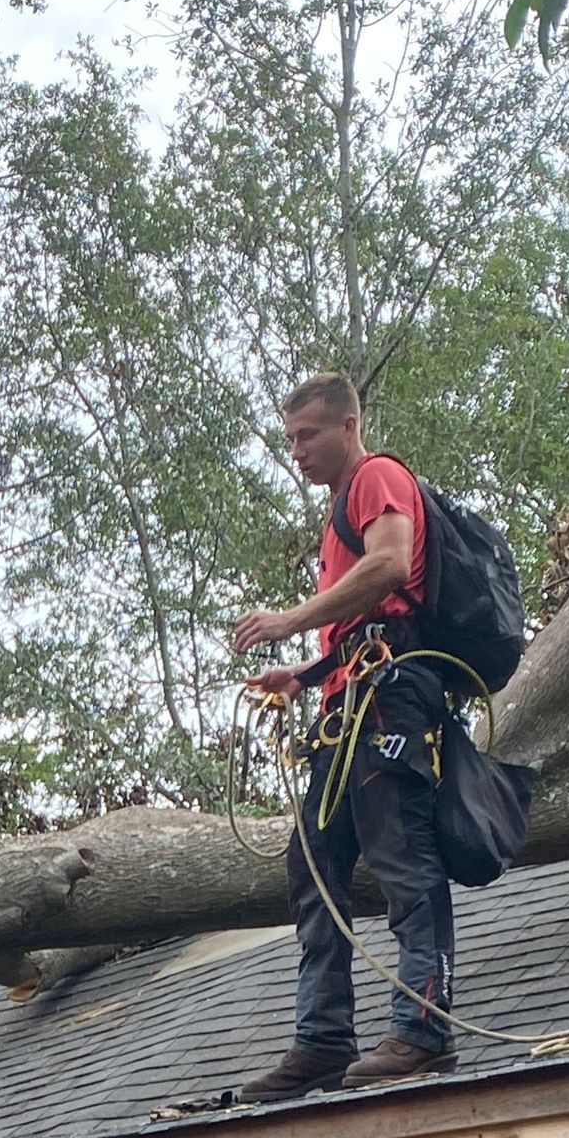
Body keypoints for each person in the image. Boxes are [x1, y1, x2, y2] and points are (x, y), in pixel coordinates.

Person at [234, 371, 459, 1100]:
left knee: (401, 853)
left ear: (347, 427)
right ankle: (323, 1039)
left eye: (307, 435)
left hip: (388, 701)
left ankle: (422, 1028)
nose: (295, 450)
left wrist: (291, 620)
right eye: (289, 437)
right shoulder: (338, 509)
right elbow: (362, 618)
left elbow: (391, 567)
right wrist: (303, 672)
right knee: (314, 859)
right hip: (348, 697)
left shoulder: (376, 478)